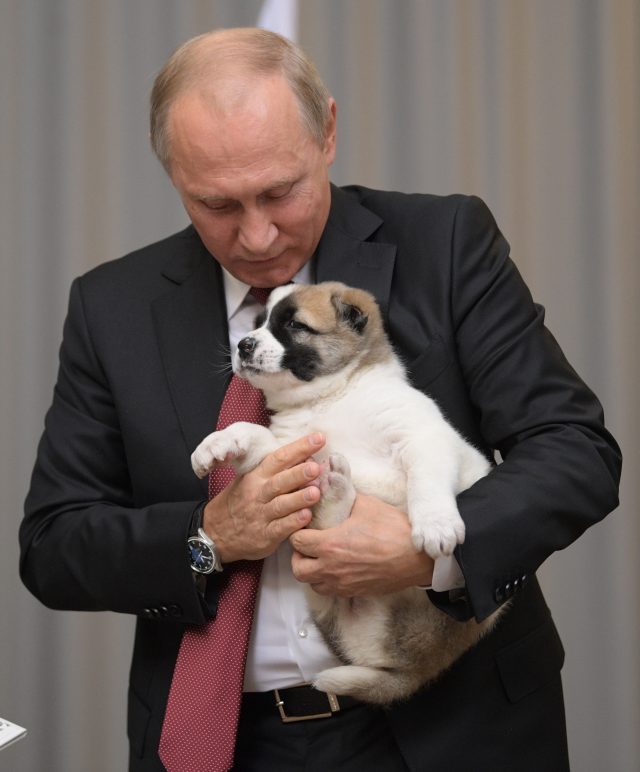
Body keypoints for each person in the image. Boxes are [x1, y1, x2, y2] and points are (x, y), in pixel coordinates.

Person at [20, 27, 621, 772]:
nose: (257, 234)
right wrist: (209, 535)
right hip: (226, 742)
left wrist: (430, 554)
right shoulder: (111, 306)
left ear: (327, 133)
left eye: (280, 191)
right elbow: (54, 545)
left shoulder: (446, 242)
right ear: (172, 173)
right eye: (215, 204)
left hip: (452, 730)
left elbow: (574, 449)